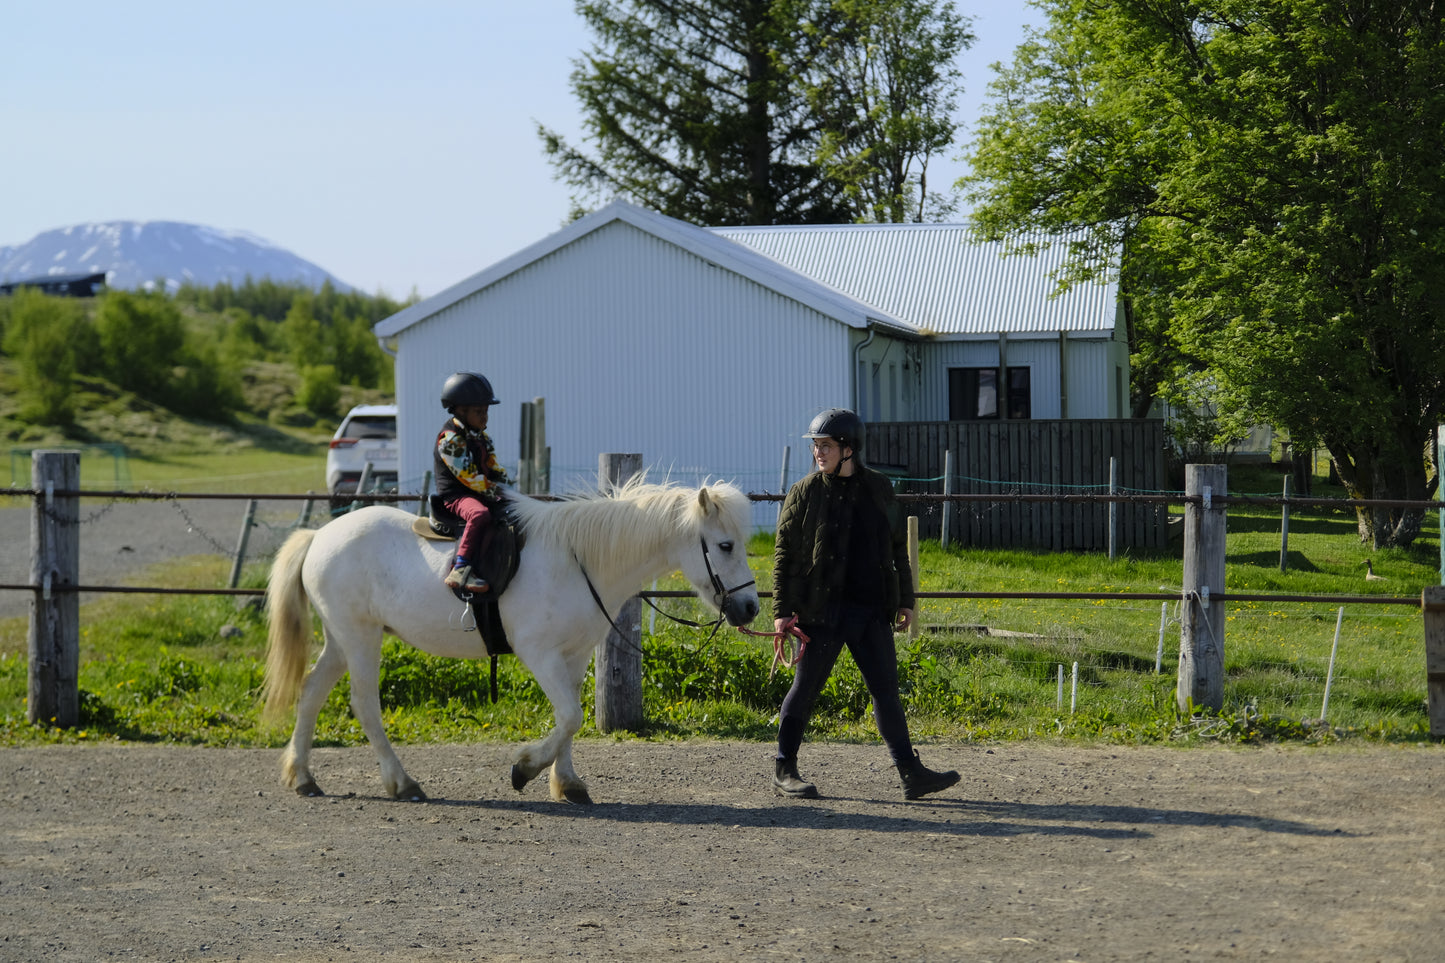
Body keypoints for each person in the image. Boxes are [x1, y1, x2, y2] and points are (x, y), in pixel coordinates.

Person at [770, 407, 960, 801]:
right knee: (804, 690)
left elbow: (897, 548)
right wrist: (782, 611)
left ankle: (911, 773)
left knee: (885, 691)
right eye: (816, 446)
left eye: (826, 445)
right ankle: (784, 769)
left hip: (871, 611)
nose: (818, 452)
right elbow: (784, 554)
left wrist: (905, 600)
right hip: (820, 613)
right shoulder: (804, 492)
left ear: (849, 448)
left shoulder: (879, 488)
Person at [435, 372, 511, 594]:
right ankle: (460, 568)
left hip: (479, 492)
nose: (485, 417)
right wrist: (496, 491)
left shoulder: (482, 437)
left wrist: (510, 491)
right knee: (479, 515)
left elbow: (495, 467)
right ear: (461, 410)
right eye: (479, 412)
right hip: (457, 497)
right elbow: (470, 478)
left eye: (486, 411)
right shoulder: (450, 440)